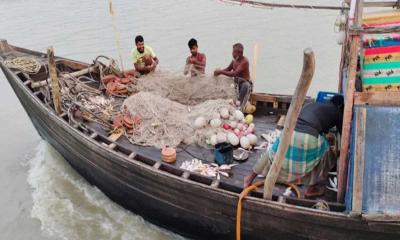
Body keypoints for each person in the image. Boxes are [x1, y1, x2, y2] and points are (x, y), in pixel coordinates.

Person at [244, 95, 344, 198]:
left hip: (289, 131)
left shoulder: (313, 105)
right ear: (340, 106)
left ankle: (249, 178)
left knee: (271, 153)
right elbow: (343, 133)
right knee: (325, 152)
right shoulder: (336, 112)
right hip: (308, 136)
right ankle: (311, 188)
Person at [214, 43, 251, 110]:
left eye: (234, 52)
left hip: (243, 84)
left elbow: (234, 73)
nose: (232, 54)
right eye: (232, 51)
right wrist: (218, 72)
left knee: (245, 87)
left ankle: (240, 106)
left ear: (240, 53)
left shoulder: (244, 62)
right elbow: (228, 69)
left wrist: (220, 72)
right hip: (236, 84)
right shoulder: (234, 61)